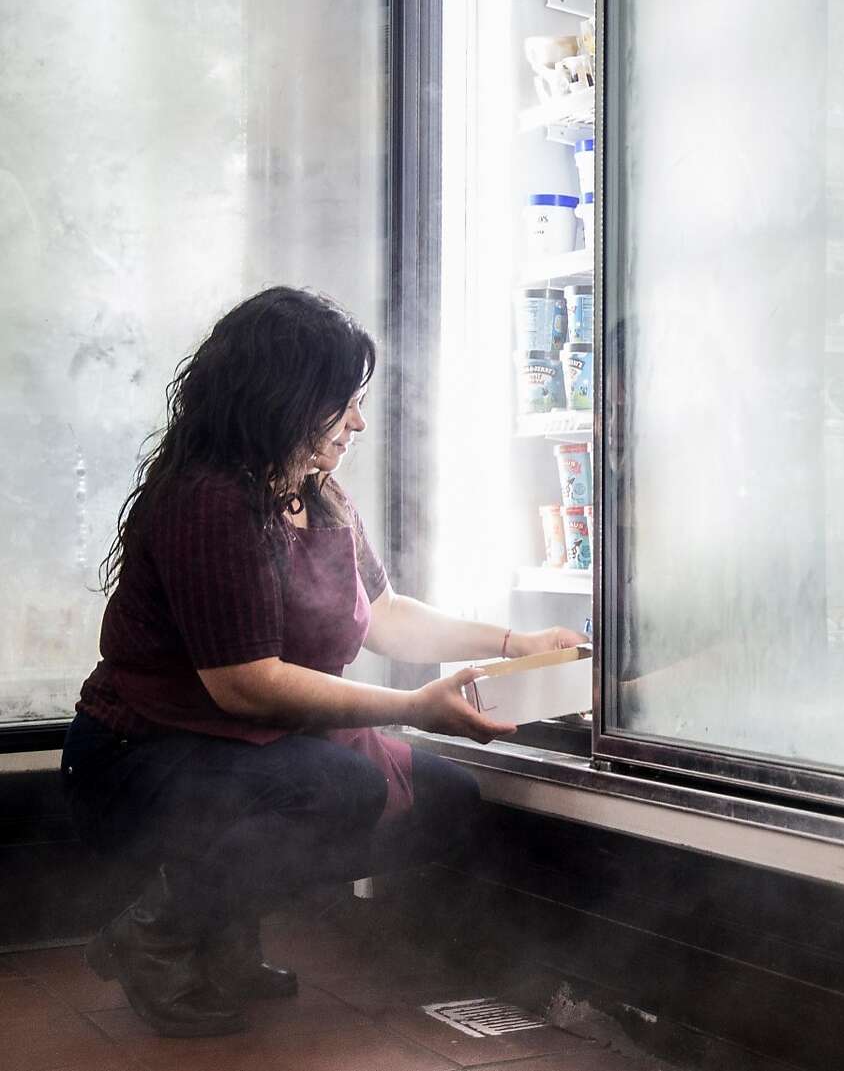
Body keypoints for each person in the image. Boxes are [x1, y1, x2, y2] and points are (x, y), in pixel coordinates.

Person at [60, 287, 586, 1039]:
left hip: (246, 751)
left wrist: (513, 644)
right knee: (338, 786)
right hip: (133, 755)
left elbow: (385, 614)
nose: (359, 422)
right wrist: (410, 708)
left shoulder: (316, 492)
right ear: (286, 396)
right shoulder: (207, 502)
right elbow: (247, 684)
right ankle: (159, 931)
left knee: (445, 799)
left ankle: (219, 925)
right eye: (343, 402)